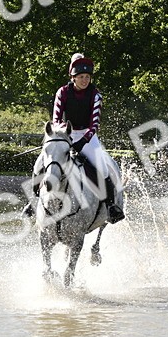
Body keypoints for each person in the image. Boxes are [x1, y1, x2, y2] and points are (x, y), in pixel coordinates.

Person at [25, 53, 125, 223]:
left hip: (87, 136)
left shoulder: (95, 95)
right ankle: (32, 202)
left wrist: (82, 142)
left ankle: (110, 206)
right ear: (73, 77)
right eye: (81, 77)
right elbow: (56, 119)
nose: (85, 80)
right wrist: (63, 137)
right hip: (63, 134)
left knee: (103, 168)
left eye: (87, 77)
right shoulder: (62, 92)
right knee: (39, 164)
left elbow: (94, 125)